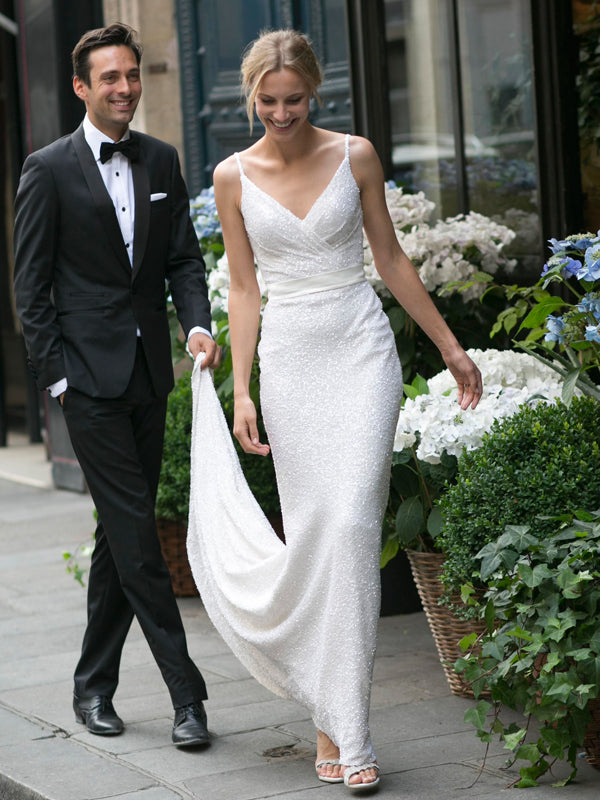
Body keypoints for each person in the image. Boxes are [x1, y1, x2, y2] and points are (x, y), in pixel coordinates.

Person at [186, 29, 482, 792]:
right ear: (252, 96)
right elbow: (243, 289)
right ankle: (332, 716)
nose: (282, 113)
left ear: (315, 91)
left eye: (294, 99)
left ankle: (351, 731)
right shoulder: (231, 177)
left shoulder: (356, 156)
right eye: (268, 101)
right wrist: (242, 387)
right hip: (289, 363)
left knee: (351, 525)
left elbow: (391, 258)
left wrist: (450, 347)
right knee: (317, 534)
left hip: (360, 352)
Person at [13, 22, 220, 747]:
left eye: (132, 74)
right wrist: (58, 379)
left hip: (149, 375)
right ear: (81, 87)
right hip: (87, 385)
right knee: (137, 536)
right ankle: (187, 697)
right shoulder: (46, 169)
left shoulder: (161, 159)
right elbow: (30, 288)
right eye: (110, 78)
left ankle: (91, 686)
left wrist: (197, 326)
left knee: (118, 535)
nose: (125, 88)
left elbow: (183, 260)